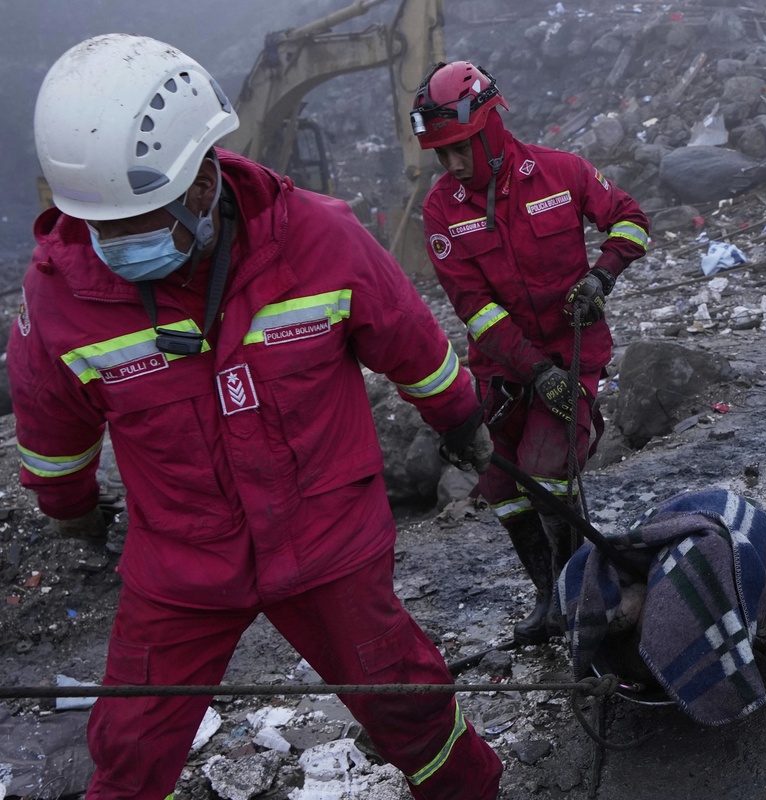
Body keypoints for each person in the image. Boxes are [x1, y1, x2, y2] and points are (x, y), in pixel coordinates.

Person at [12, 35, 502, 799]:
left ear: (204, 182)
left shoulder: (319, 238)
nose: (118, 245)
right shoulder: (60, 295)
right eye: (105, 226)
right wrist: (70, 510)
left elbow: (410, 343)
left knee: (407, 700)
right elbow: (52, 433)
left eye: (140, 222)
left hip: (328, 538)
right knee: (132, 746)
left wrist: (462, 419)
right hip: (182, 562)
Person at [410, 61, 650, 646]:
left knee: (548, 474)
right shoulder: (441, 210)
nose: (452, 165)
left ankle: (576, 596)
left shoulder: (561, 172)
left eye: (460, 148)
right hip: (504, 369)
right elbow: (475, 309)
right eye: (441, 154)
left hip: (573, 355)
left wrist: (602, 276)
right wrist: (534, 370)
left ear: (491, 128)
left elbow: (631, 221)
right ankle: (547, 596)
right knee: (500, 484)